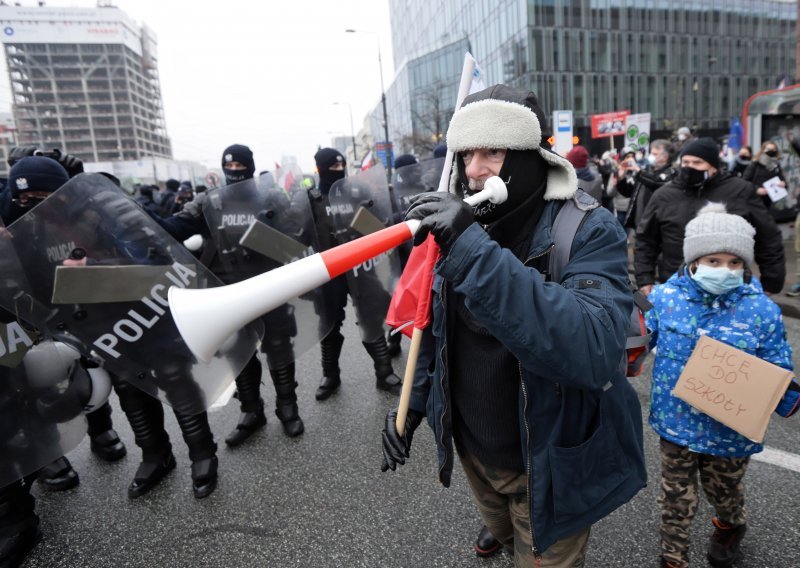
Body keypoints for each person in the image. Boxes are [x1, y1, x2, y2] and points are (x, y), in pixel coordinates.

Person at [380, 84, 646, 567]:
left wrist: (470, 249)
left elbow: (592, 349)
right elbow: (437, 327)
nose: (475, 170)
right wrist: (416, 402)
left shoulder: (587, 229)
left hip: (547, 463)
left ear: (529, 155)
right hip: (475, 451)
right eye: (466, 155)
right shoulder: (463, 226)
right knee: (505, 536)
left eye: (493, 152)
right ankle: (502, 533)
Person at [645, 203, 799, 568]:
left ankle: (730, 526)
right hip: (676, 424)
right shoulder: (666, 298)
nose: (725, 270)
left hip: (731, 430)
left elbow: (777, 362)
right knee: (675, 498)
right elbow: (640, 340)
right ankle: (672, 558)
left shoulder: (761, 309)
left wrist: (785, 393)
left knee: (725, 493)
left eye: (734, 262)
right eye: (714, 261)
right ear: (694, 261)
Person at [156, 143, 306, 442]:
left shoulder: (270, 196)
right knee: (239, 352)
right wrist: (138, 219)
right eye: (230, 167)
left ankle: (288, 408)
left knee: (278, 347)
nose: (234, 172)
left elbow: (296, 234)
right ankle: (251, 411)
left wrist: (276, 230)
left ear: (249, 168)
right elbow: (175, 226)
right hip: (226, 289)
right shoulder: (210, 201)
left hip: (267, 287)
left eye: (240, 167)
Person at [0, 155, 128, 492]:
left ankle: (101, 429)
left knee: (85, 368)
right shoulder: (9, 215)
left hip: (72, 307)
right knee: (24, 382)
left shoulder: (81, 219)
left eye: (40, 199)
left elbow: (122, 252)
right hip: (19, 313)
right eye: (22, 198)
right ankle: (48, 454)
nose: (29, 206)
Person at [634, 137, 785, 296]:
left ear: (713, 166)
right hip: (678, 288)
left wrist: (771, 282)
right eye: (685, 162)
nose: (689, 167)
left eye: (697, 163)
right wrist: (645, 279)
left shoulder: (740, 191)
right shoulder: (664, 195)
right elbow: (646, 240)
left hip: (730, 288)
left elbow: (768, 238)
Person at [308, 148, 402, 400]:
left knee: (371, 317)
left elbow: (376, 225)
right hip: (327, 270)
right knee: (329, 323)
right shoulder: (311, 199)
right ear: (319, 169)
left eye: (341, 166)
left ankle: (384, 373)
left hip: (360, 265)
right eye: (332, 167)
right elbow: (299, 233)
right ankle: (330, 374)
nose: (339, 171)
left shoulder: (357, 193)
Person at [617, 139, 678, 230]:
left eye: (655, 154)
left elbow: (656, 183)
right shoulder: (646, 172)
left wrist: (637, 171)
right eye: (651, 153)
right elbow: (628, 192)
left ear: (665, 157)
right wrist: (621, 178)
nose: (650, 156)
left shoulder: (671, 173)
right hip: (640, 223)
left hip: (657, 226)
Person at [742, 140, 786, 210]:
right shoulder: (755, 164)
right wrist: (757, 189)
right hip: (755, 199)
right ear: (763, 150)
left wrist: (783, 183)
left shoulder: (776, 165)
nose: (771, 151)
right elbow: (744, 180)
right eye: (768, 149)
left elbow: (782, 179)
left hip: (771, 200)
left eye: (773, 149)